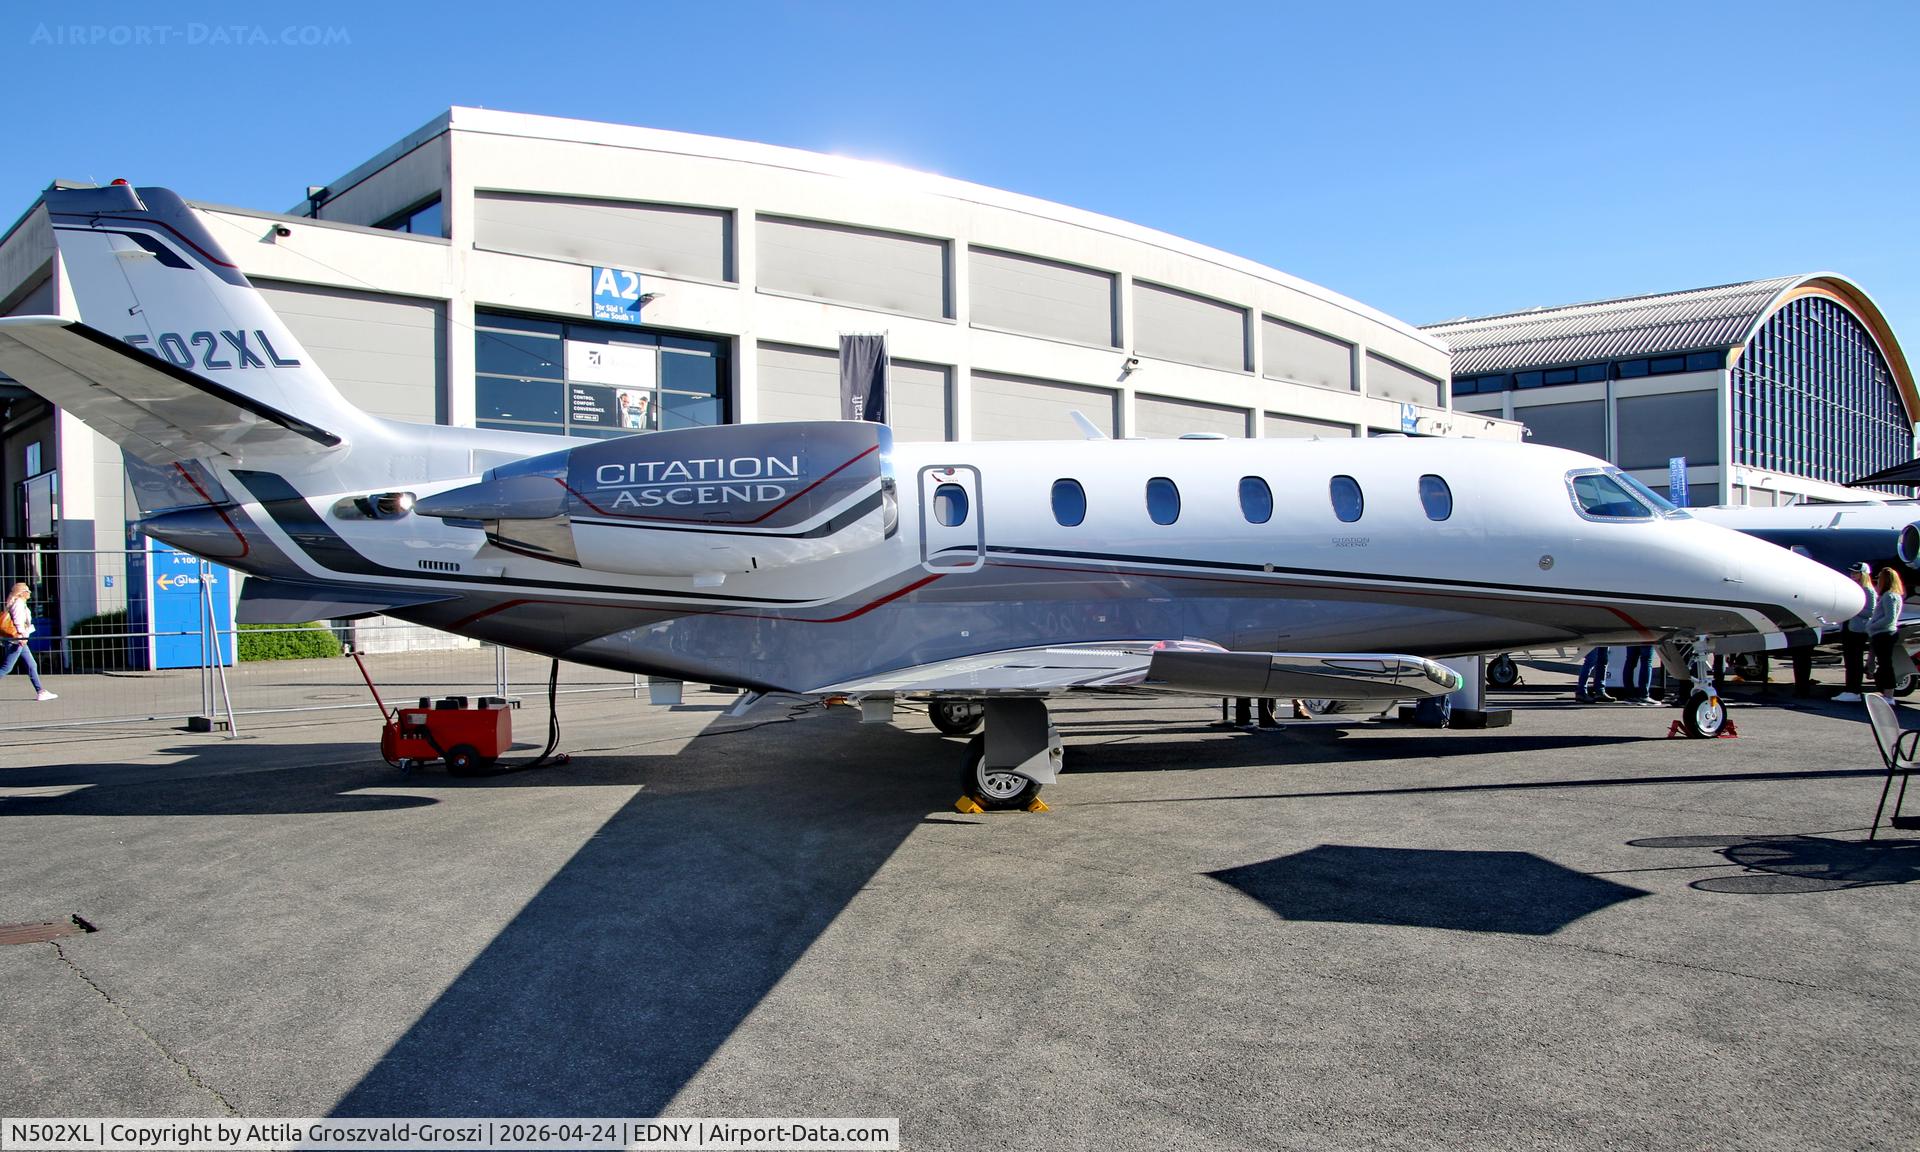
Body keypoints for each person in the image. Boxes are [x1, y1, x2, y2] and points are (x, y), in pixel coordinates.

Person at [1, 583, 56, 701]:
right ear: (21, 593)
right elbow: (18, 621)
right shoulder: (18, 604)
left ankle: (41, 691)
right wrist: (22, 637)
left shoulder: (20, 603)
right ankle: (40, 691)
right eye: (27, 590)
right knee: (7, 668)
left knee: (32, 665)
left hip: (18, 640)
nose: (29, 592)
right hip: (17, 640)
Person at [1833, 562, 1875, 702]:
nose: (1853, 575)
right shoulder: (1851, 589)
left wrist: (1853, 609)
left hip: (1858, 630)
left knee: (1855, 661)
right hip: (1847, 627)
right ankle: (1849, 688)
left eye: (1856, 573)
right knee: (1849, 661)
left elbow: (1870, 611)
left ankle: (1854, 690)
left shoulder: (1868, 590)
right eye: (1851, 573)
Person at [1869, 566, 1905, 701]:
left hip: (1884, 633)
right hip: (1885, 633)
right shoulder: (1893, 596)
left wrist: (1872, 625)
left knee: (1885, 664)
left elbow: (1889, 618)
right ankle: (1886, 692)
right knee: (1884, 664)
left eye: (1880, 578)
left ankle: (1889, 694)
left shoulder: (1889, 596)